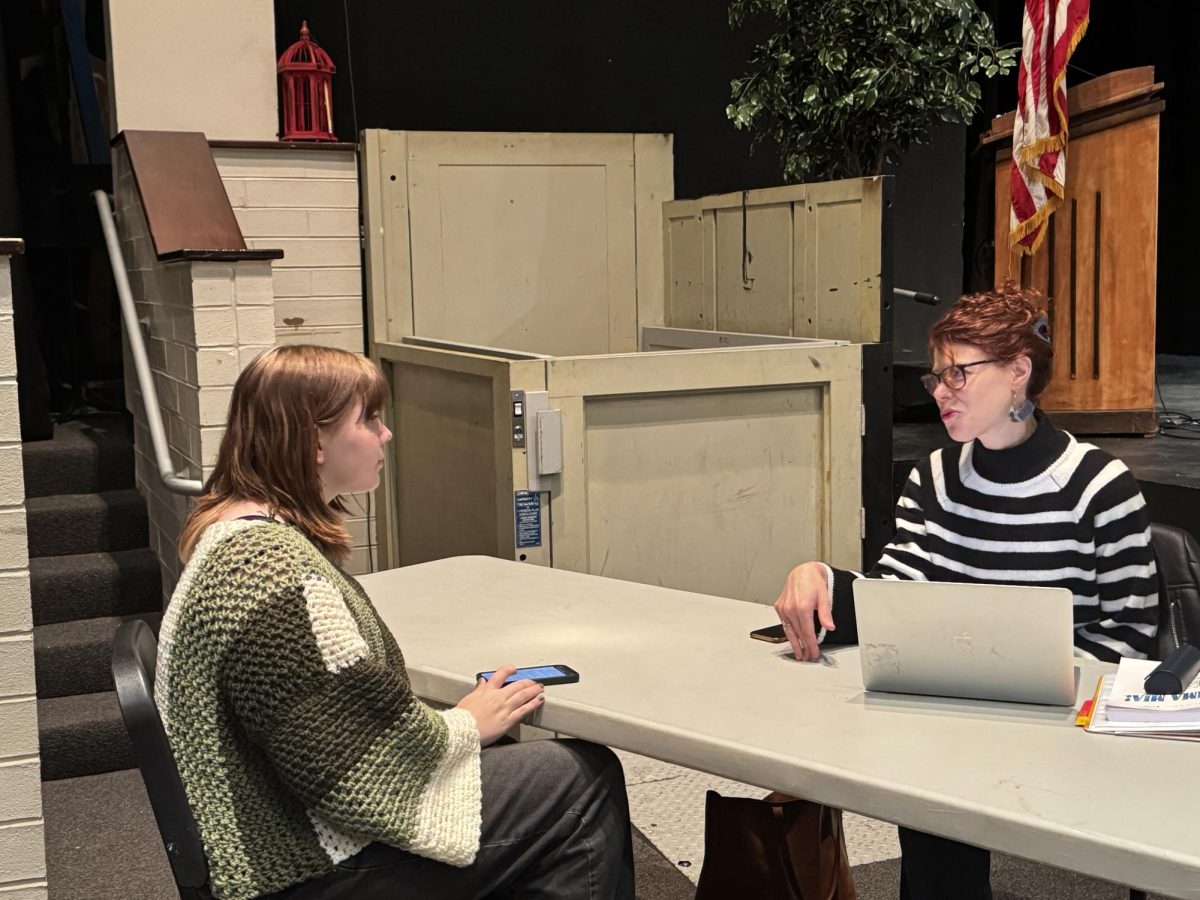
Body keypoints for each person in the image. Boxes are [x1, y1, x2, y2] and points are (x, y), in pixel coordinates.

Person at [156, 345, 635, 900]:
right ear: (314, 440)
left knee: (516, 758)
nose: (387, 435)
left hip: (275, 821)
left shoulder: (237, 532)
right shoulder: (268, 567)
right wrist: (461, 727)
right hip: (296, 863)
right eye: (370, 419)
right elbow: (349, 771)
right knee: (580, 780)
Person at [773, 284, 1159, 899]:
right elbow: (897, 594)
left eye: (958, 374)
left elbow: (1134, 644)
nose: (940, 394)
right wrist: (819, 577)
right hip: (954, 723)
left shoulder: (1098, 486)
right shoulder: (934, 477)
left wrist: (1047, 678)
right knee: (928, 786)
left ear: (1018, 374)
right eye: (936, 378)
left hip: (1063, 730)